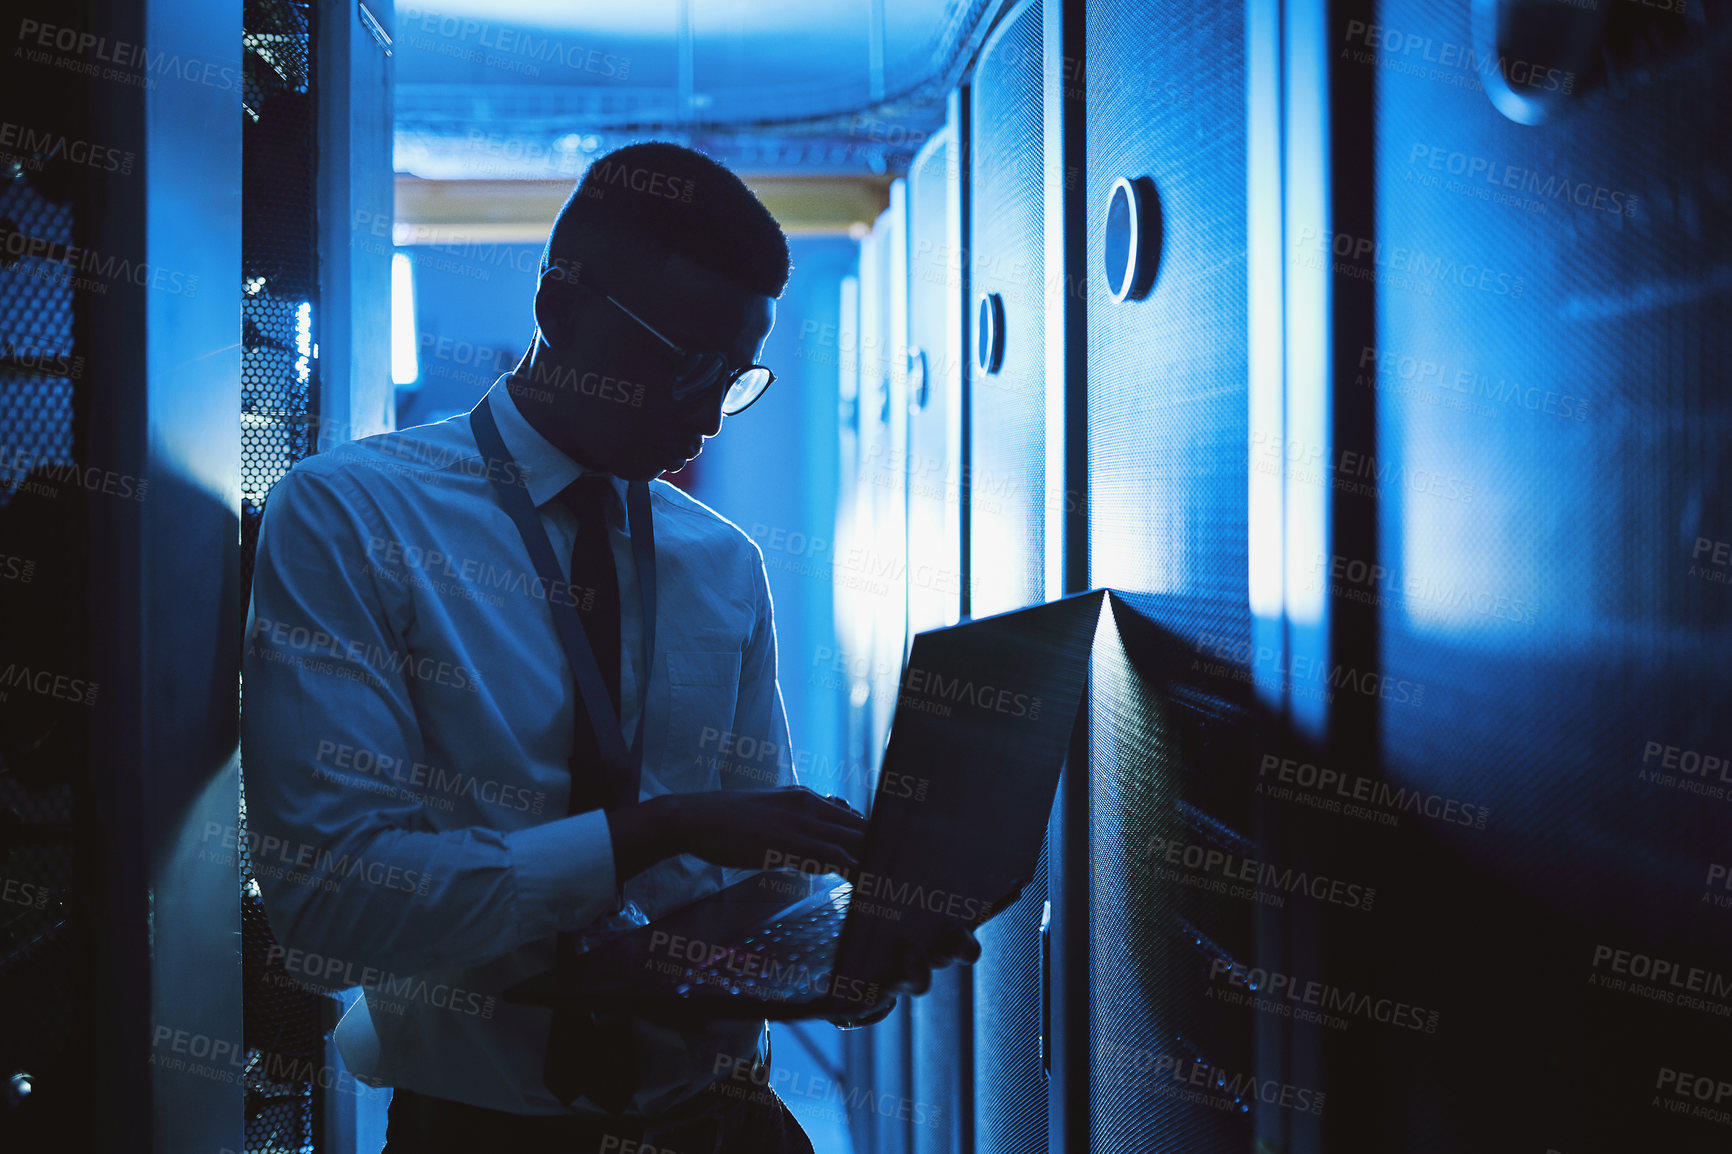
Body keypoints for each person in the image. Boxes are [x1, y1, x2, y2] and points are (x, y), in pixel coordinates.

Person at [241, 141, 977, 1152]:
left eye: (735, 376)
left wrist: (837, 955)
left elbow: (761, 883)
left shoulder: (721, 560)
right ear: (559, 309)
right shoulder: (351, 515)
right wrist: (658, 826)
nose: (709, 415)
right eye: (681, 365)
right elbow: (326, 907)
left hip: (726, 1122)